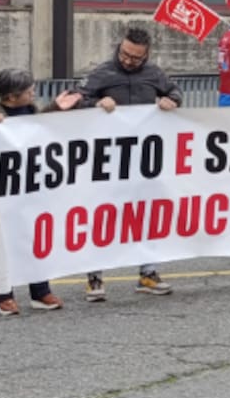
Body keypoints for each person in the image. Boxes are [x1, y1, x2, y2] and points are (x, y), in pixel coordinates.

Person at [75, 27, 182, 299]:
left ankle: (148, 273)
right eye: (124, 54)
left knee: (146, 214)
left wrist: (171, 100)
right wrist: (96, 102)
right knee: (103, 215)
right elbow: (77, 100)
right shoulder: (102, 72)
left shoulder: (154, 74)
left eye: (135, 58)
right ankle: (94, 278)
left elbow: (175, 92)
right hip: (107, 159)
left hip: (143, 158)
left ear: (146, 55)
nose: (127, 60)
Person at [0, 69, 77, 316]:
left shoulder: (31, 109)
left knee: (37, 236)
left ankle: (40, 291)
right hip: (0, 191)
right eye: (29, 91)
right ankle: (3, 295)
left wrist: (56, 108)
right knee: (2, 243)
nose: (33, 94)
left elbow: (39, 128)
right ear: (12, 97)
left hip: (31, 186)